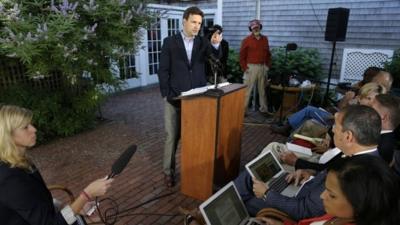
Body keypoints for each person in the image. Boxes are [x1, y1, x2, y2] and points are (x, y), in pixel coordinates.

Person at [234, 105, 382, 219]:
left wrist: (266, 194)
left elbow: (304, 210)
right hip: (303, 188)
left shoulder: (353, 172)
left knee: (245, 196)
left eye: (335, 126)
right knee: (252, 176)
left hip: (296, 205)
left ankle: (224, 209)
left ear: (349, 136)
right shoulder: (366, 157)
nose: (332, 130)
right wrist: (309, 174)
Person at [0, 105, 114, 225]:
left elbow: (42, 205)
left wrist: (76, 209)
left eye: (31, 124)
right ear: (8, 135)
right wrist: (86, 194)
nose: (34, 129)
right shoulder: (8, 178)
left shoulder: (21, 161)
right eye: (25, 127)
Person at [157, 6, 221, 187]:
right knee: (172, 136)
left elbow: (217, 58)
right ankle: (168, 172)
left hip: (197, 99)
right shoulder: (169, 42)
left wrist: (215, 44)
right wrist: (166, 94)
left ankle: (193, 169)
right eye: (194, 22)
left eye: (199, 23)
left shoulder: (203, 42)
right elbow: (163, 70)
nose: (197, 26)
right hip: (175, 98)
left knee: (194, 137)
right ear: (184, 21)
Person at [261, 156, 400, 225]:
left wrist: (267, 194)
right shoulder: (343, 215)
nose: (322, 196)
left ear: (361, 203)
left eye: (332, 195)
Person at [272, 82, 386, 136]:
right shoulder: (359, 103)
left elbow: (341, 116)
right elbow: (340, 108)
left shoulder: (367, 116)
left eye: (371, 99)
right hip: (335, 116)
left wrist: (347, 101)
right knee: (307, 116)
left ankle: (286, 128)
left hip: (333, 122)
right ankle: (289, 130)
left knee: (309, 110)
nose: (369, 101)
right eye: (366, 97)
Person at [240, 19, 271, 114]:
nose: (256, 29)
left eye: (257, 27)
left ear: (260, 27)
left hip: (262, 67)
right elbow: (242, 56)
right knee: (247, 91)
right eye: (253, 28)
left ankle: (264, 110)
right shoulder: (246, 40)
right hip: (251, 68)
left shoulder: (265, 39)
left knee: (262, 91)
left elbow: (268, 54)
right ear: (251, 29)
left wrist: (268, 66)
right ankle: (243, 111)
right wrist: (245, 68)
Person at [370, 94, 400, 163]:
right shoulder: (384, 138)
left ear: (383, 117)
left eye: (371, 109)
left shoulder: (380, 147)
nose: (367, 111)